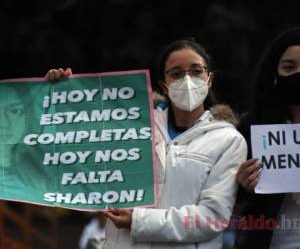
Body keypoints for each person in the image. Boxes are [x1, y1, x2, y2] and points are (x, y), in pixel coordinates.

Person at [46, 38, 247, 249]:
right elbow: (78, 153)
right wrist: (62, 98)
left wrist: (139, 221)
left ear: (209, 79)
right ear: (164, 85)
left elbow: (211, 217)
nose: (187, 79)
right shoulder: (130, 125)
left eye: (196, 71)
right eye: (176, 73)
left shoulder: (228, 141)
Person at [234, 27, 300, 249]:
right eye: (289, 67)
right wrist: (244, 186)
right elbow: (233, 203)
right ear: (274, 73)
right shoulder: (251, 127)